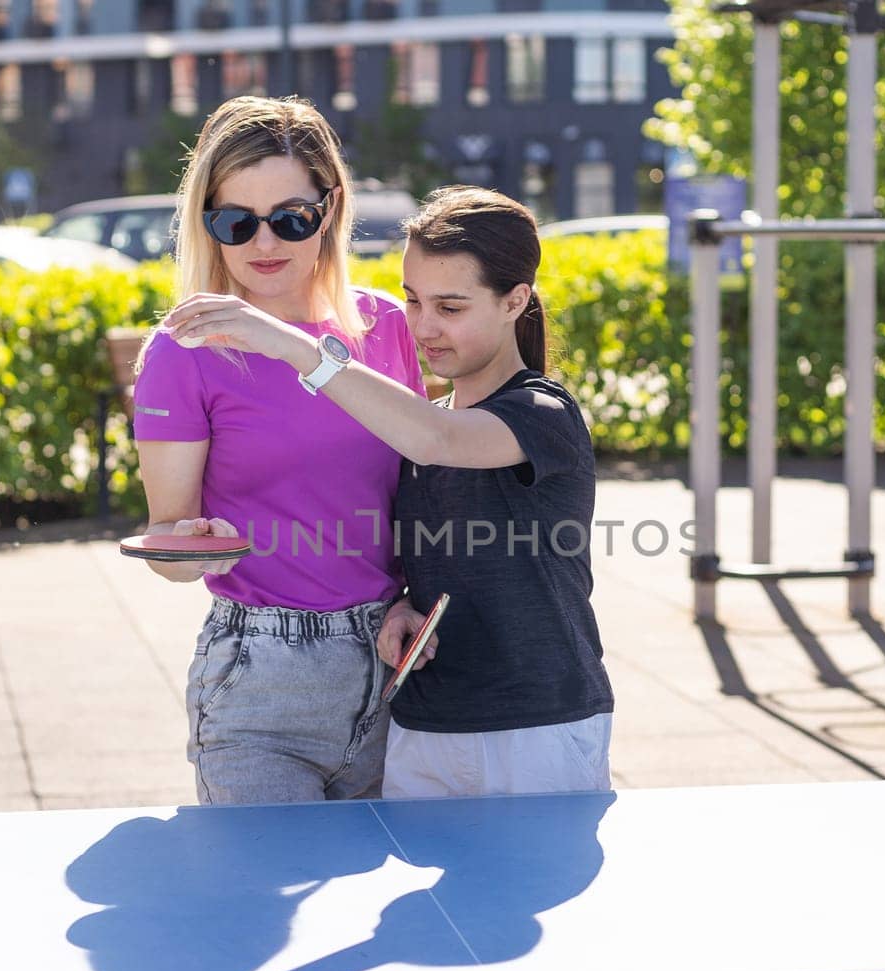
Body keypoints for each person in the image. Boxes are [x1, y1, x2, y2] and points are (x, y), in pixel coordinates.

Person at [160, 186, 613, 799]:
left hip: (538, 726)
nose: (422, 327)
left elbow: (439, 438)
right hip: (424, 726)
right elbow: (437, 532)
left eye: (450, 308)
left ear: (515, 301)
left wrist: (291, 344)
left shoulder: (542, 414)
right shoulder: (425, 424)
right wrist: (406, 601)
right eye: (413, 301)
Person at [131, 96, 425, 805]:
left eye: (291, 218)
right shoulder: (186, 348)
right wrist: (193, 543)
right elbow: (170, 536)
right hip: (259, 685)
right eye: (235, 222)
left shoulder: (388, 326)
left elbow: (423, 485)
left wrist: (417, 598)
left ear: (331, 209)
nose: (263, 244)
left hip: (396, 667)